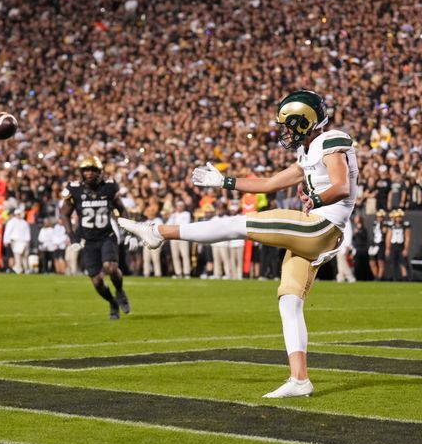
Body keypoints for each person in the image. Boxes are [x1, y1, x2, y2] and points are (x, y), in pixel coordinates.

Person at [121, 90, 358, 397]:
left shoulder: (331, 140)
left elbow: (341, 186)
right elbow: (270, 183)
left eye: (289, 124)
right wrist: (225, 182)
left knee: (237, 224)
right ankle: (300, 380)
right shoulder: (310, 151)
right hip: (318, 232)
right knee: (289, 301)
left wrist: (314, 197)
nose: (285, 131)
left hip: (321, 226)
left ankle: (158, 232)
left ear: (304, 121)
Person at [61, 156, 130, 320]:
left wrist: (129, 231)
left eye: (93, 170)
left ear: (99, 172)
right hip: (88, 240)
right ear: (81, 172)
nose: (89, 173)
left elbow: (122, 210)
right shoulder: (74, 189)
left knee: (111, 267)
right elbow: (64, 214)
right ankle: (113, 303)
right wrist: (73, 238)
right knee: (97, 281)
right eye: (86, 170)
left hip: (107, 236)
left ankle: (119, 290)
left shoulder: (109, 187)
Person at [385, 209, 411, 281]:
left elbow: (407, 238)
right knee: (392, 262)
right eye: (397, 217)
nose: (399, 218)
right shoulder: (391, 225)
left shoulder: (405, 225)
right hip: (393, 245)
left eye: (400, 217)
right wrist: (387, 248)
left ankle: (405, 278)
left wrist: (406, 249)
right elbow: (388, 237)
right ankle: (394, 277)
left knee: (402, 262)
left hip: (401, 245)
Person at [368, 209, 388, 280]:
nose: (379, 218)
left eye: (381, 217)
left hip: (381, 245)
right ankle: (376, 276)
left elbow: (385, 234)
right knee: (372, 262)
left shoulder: (385, 225)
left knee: (380, 262)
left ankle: (380, 278)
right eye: (378, 217)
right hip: (374, 244)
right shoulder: (374, 224)